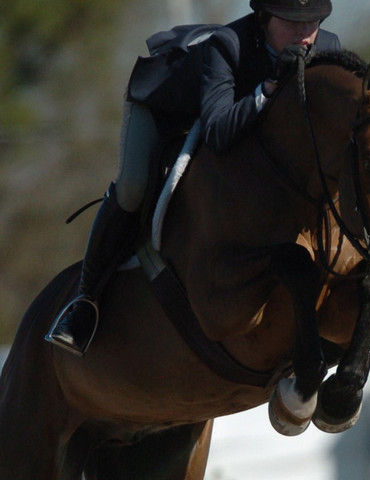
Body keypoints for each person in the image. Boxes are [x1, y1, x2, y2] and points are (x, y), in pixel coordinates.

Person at [46, 0, 339, 356]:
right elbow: (217, 131)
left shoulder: (328, 49)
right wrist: (272, 85)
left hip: (235, 116)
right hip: (164, 107)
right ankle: (84, 302)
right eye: (293, 23)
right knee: (133, 187)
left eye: (312, 22)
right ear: (265, 19)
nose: (305, 35)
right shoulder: (228, 45)